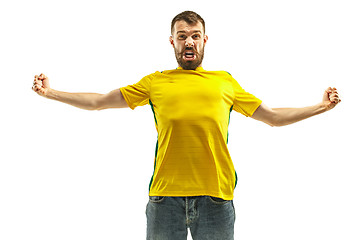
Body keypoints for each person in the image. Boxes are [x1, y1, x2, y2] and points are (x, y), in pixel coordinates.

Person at [32, 10, 341, 240]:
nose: (188, 42)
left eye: (195, 35)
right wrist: (50, 92)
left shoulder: (224, 82)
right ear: (172, 42)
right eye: (182, 36)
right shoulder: (156, 83)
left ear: (204, 40)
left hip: (216, 199)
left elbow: (273, 117)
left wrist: (321, 107)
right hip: (165, 199)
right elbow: (99, 100)